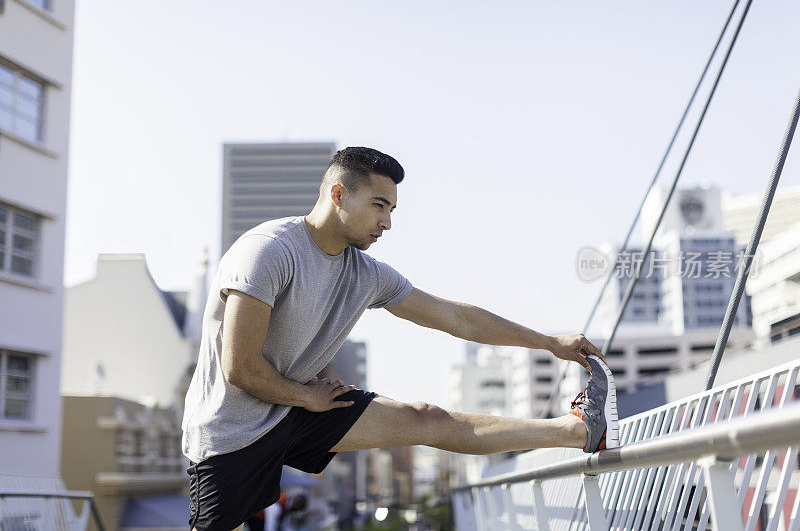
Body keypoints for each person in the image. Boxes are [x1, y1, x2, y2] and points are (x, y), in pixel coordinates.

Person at [182, 147, 619, 530]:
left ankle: (576, 432)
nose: (387, 223)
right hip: (232, 430)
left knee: (425, 417)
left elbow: (457, 318)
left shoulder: (366, 274)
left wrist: (550, 342)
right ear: (338, 195)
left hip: (297, 406)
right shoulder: (268, 252)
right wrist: (306, 397)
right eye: (378, 206)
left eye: (391, 210)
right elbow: (240, 368)